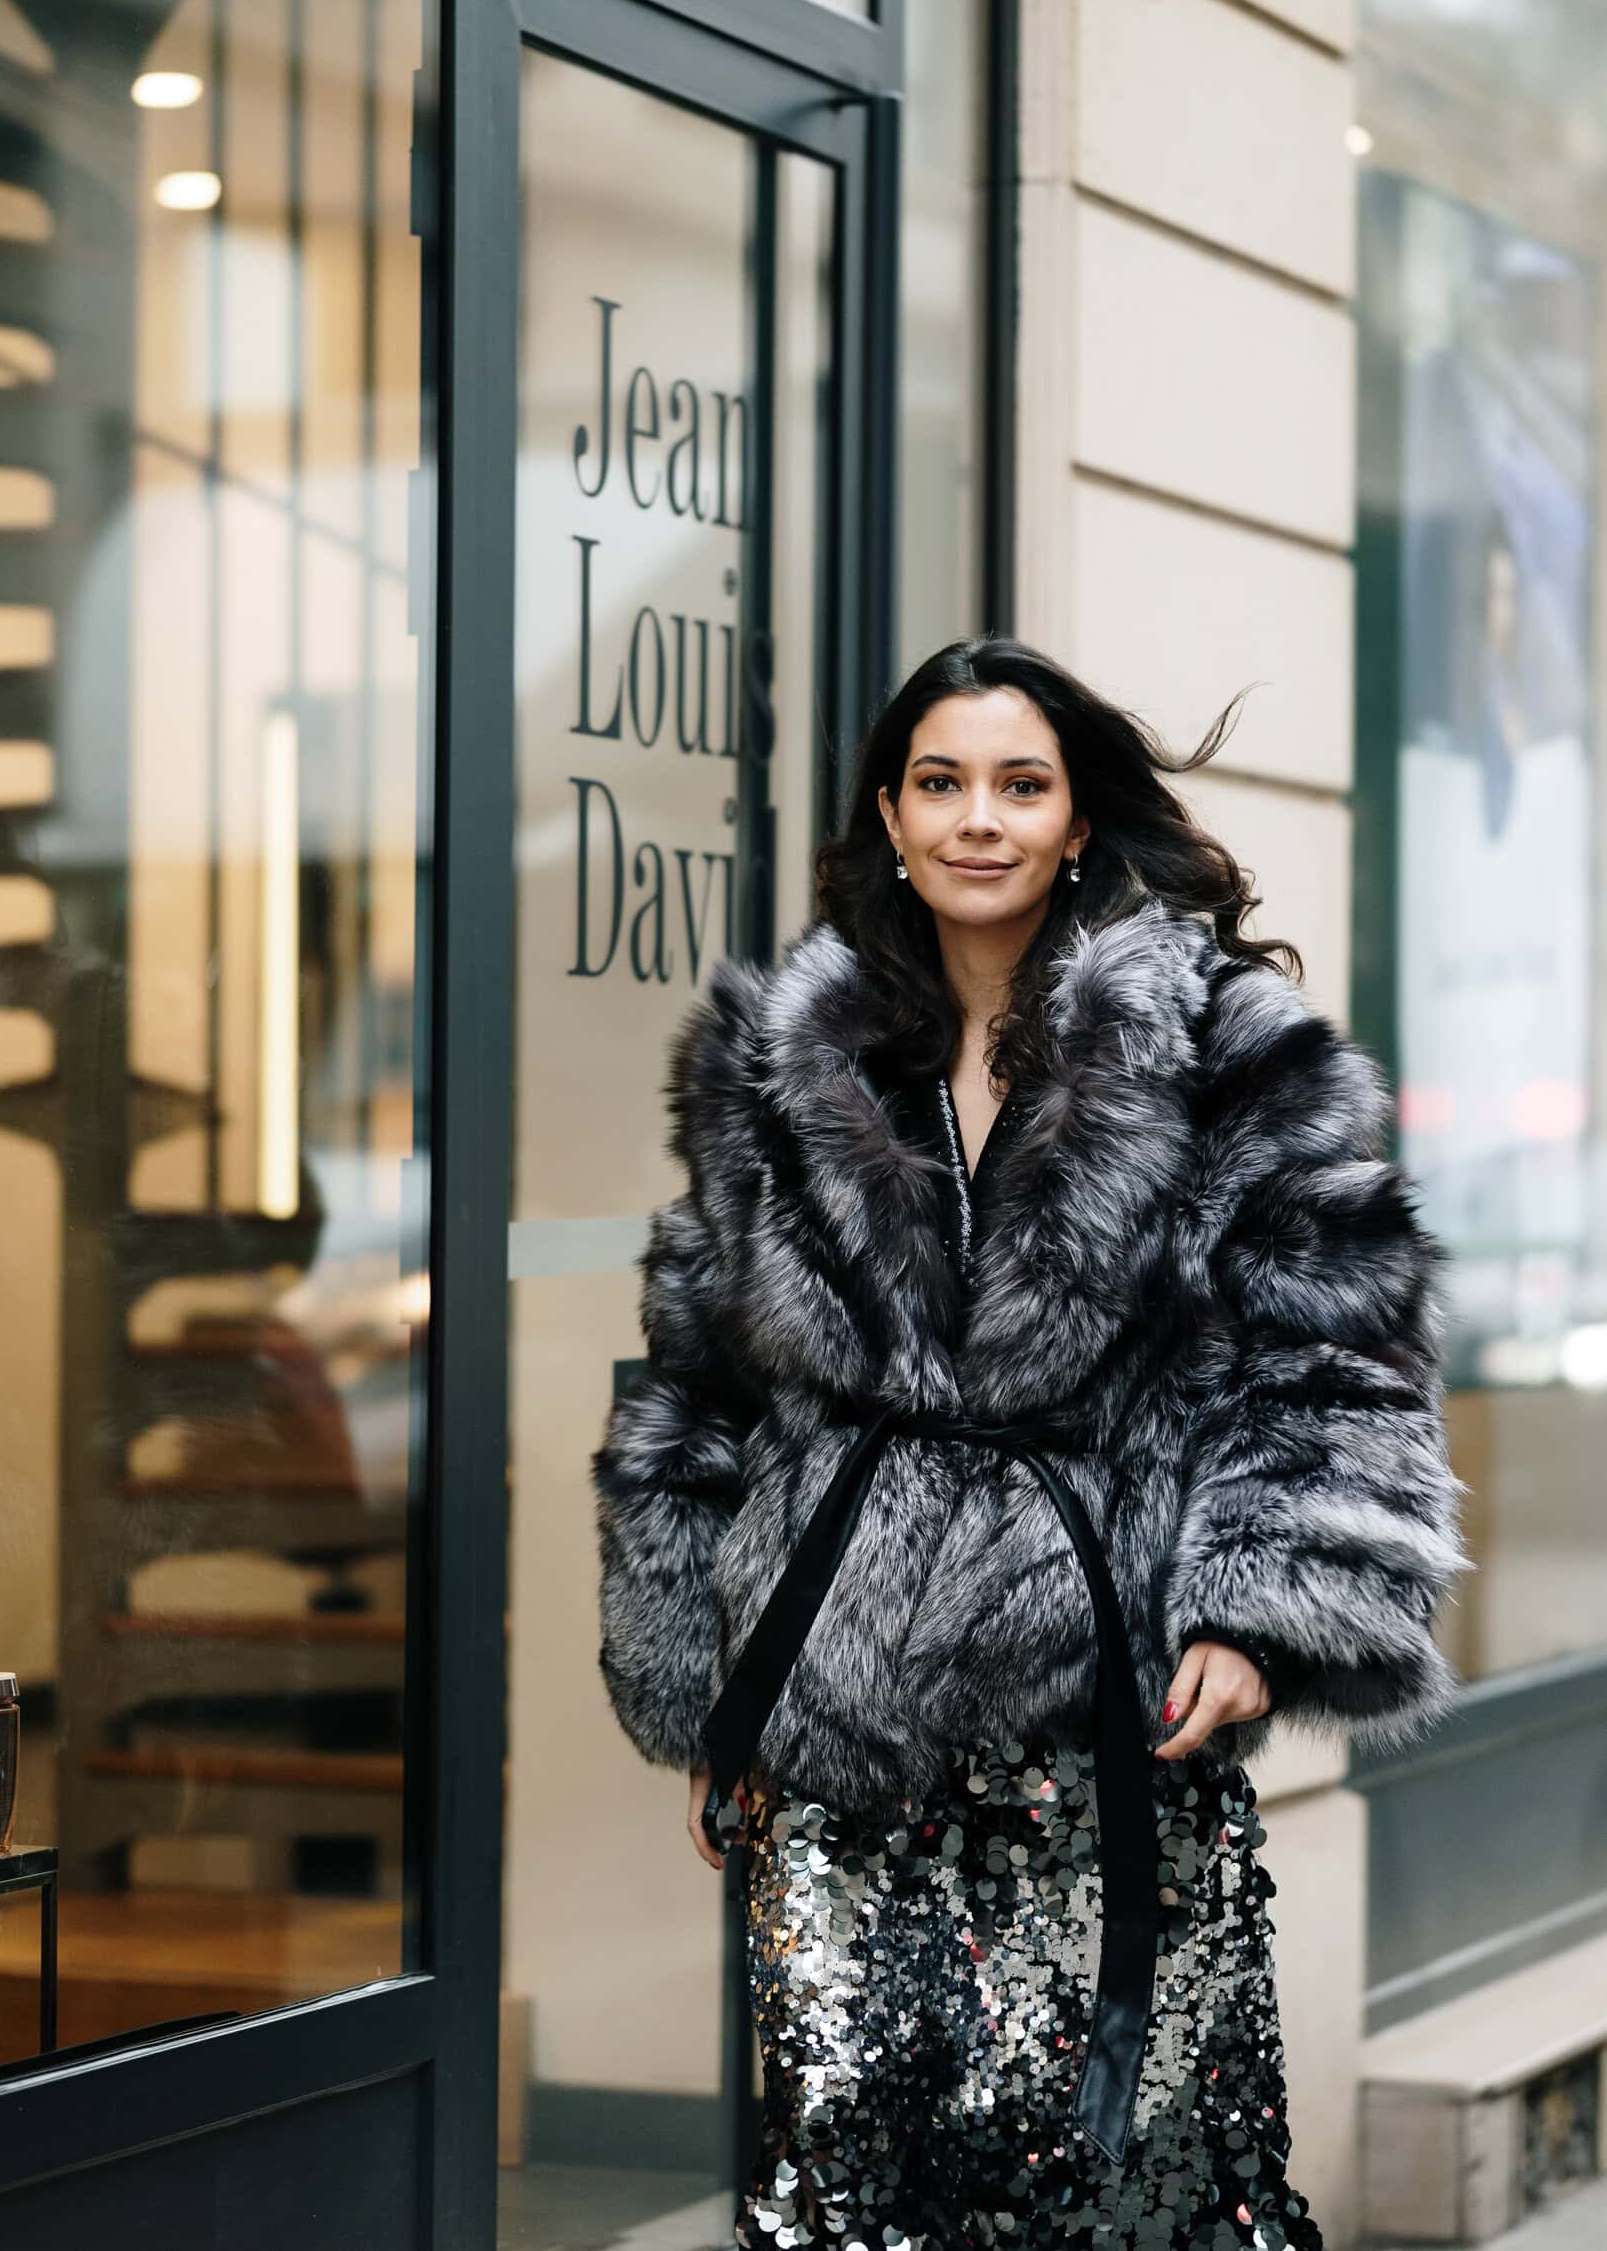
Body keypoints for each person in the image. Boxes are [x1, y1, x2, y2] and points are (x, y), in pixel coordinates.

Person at [591, 637, 1465, 2251]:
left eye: (1021, 784)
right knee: (853, 2186)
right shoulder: (779, 1071)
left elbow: (1337, 1356)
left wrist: (1263, 1613)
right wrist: (703, 1671)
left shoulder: (1230, 1051)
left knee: (1127, 2176)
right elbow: (693, 1383)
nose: (977, 818)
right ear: (891, 814)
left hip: (1112, 1713)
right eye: (941, 783)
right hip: (842, 1720)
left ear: (1078, 822)